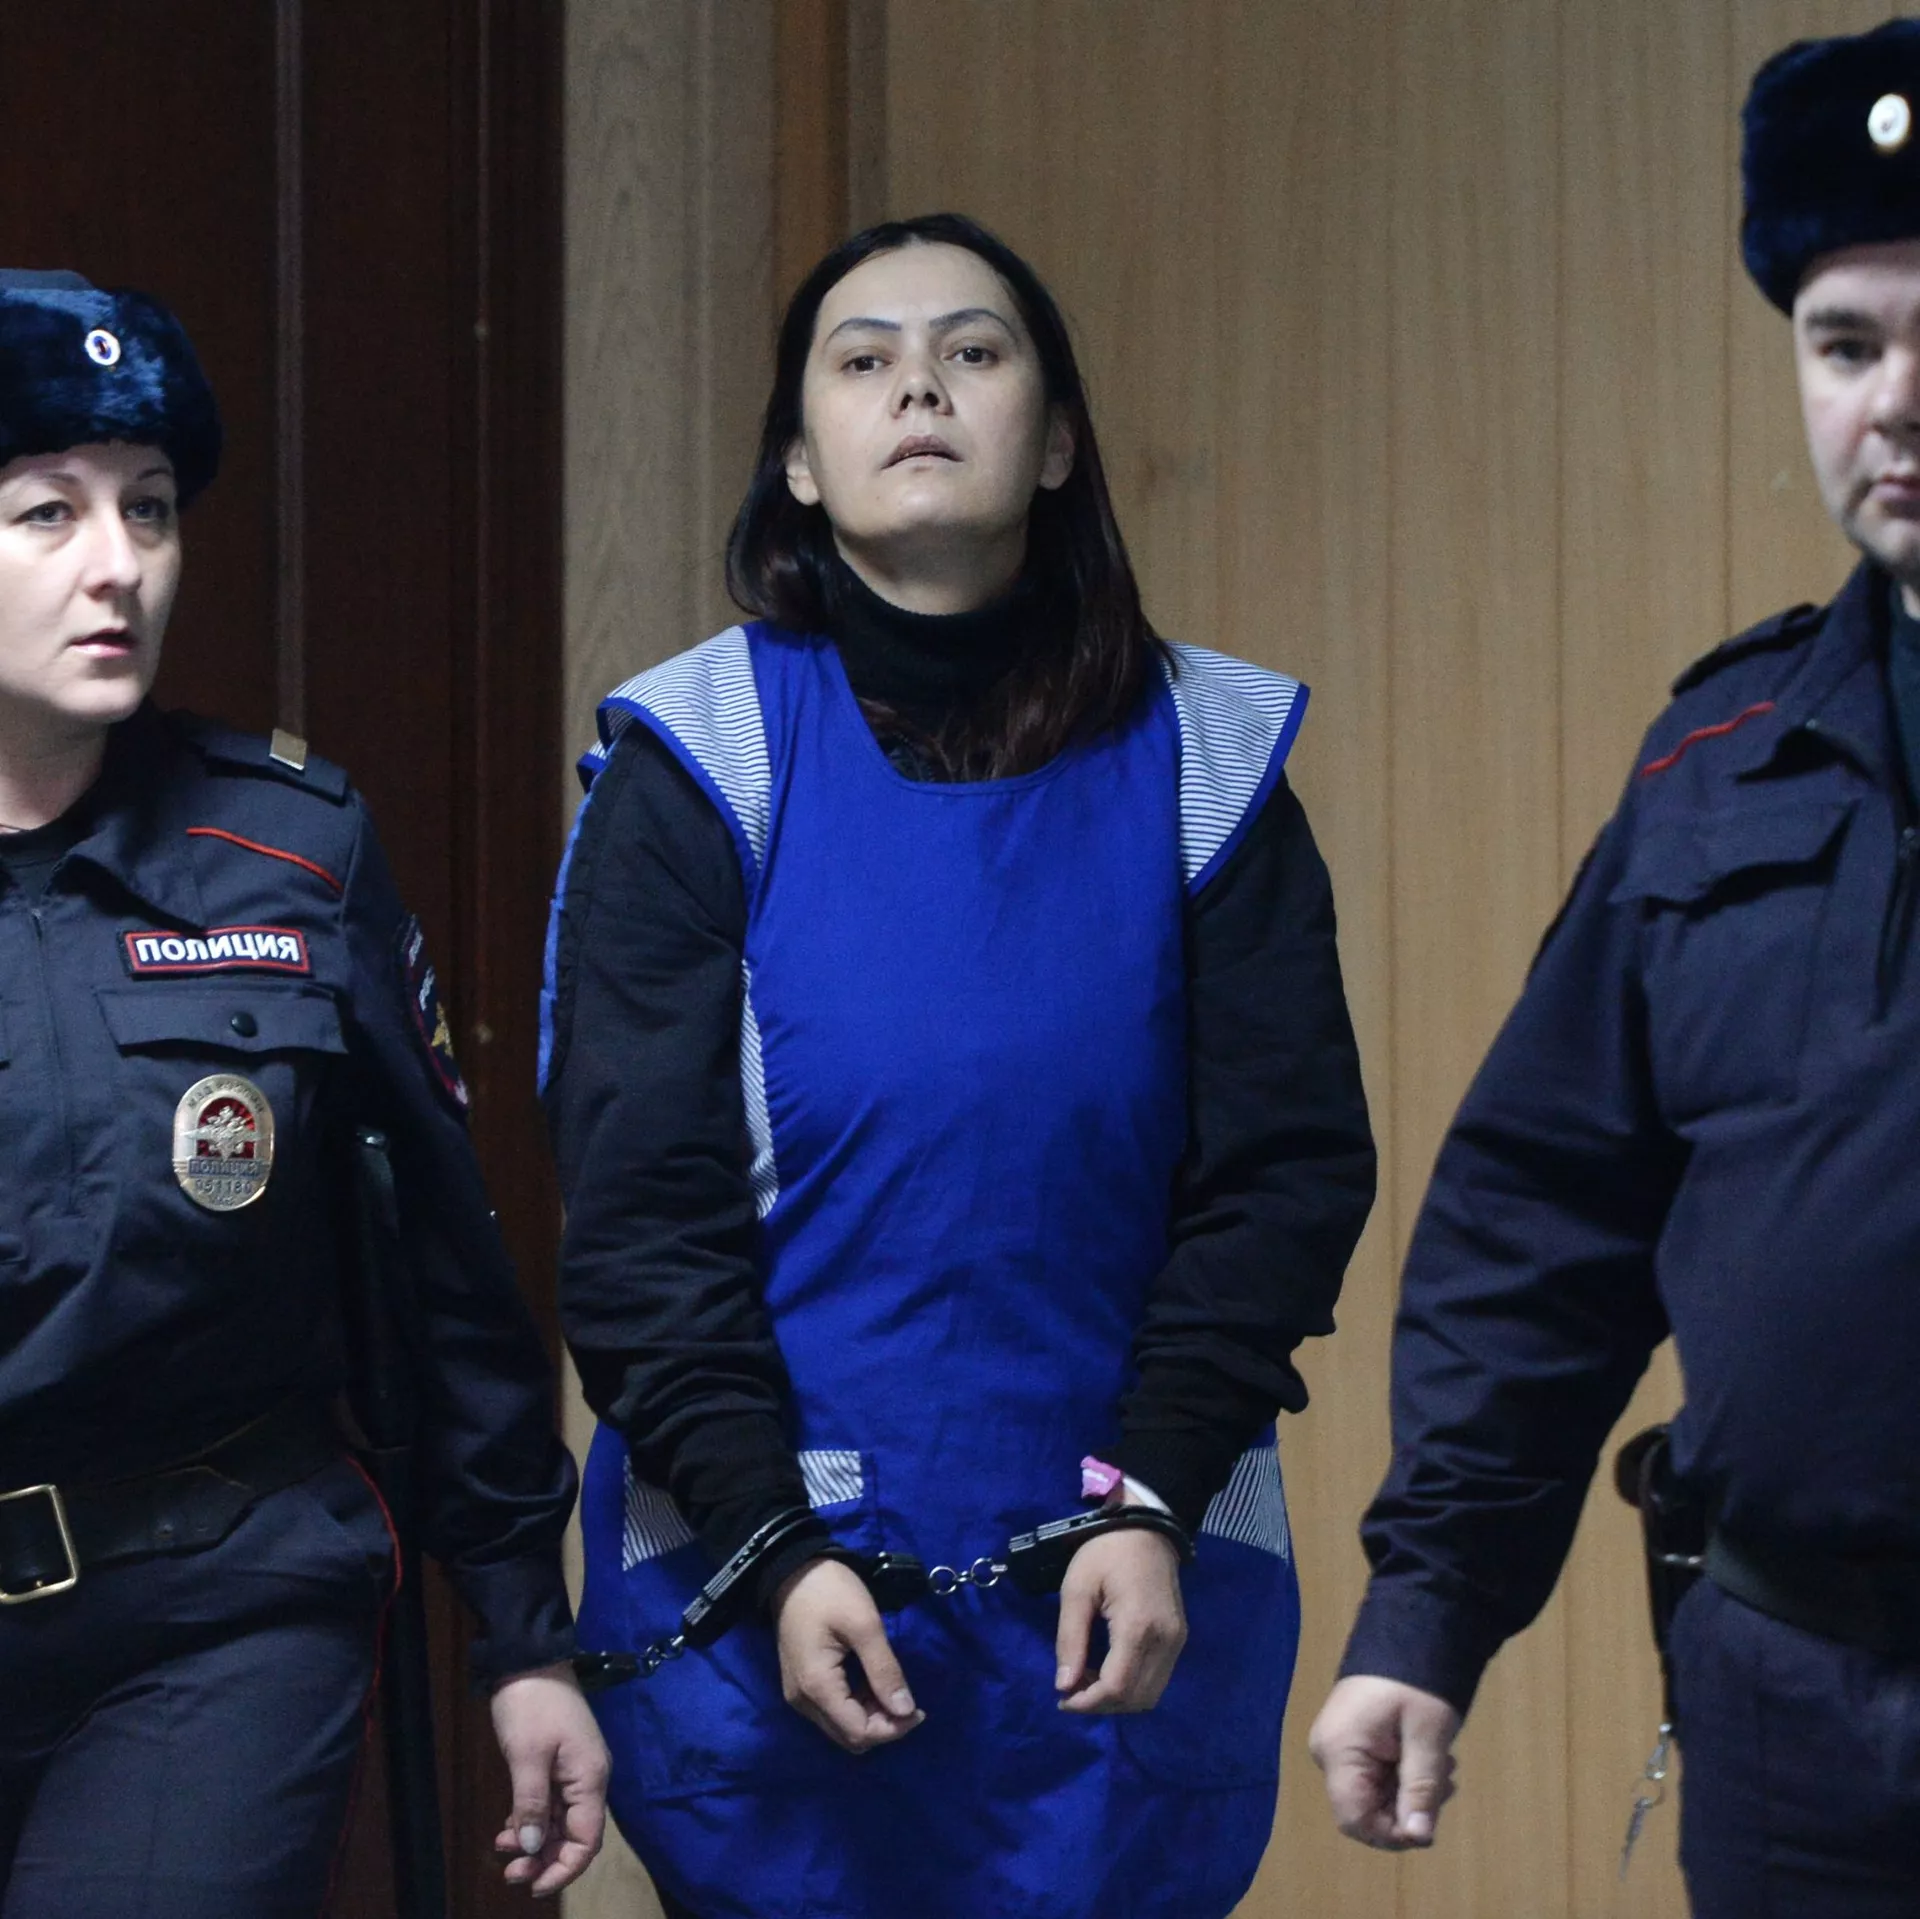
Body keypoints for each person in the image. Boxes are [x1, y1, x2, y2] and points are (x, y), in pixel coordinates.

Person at [542, 212, 1375, 1919]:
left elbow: (1285, 1176)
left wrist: (1151, 1494)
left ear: (1056, 440)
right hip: (774, 1602)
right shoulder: (697, 765)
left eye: (973, 351)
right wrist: (772, 1550)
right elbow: (639, 1226)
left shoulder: (1209, 764)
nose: (919, 386)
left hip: (1121, 1609)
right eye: (864, 360)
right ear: (797, 459)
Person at [1308, 19, 1920, 1915]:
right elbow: (1544, 1224)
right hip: (1798, 1710)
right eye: (1845, 346)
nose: (1896, 403)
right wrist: (1426, 1613)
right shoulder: (1714, 768)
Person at [0, 270, 607, 1914]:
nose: (119, 563)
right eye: (47, 512)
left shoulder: (286, 846)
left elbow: (443, 1269)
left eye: (148, 507)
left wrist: (522, 1632)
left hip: (212, 1601)